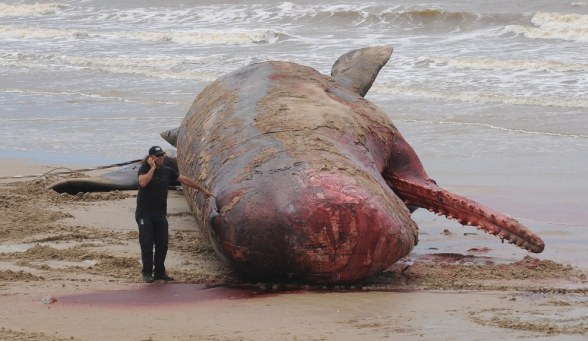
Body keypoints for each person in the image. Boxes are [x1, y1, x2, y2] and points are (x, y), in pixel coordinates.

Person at [135, 146, 211, 283]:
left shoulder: (166, 171)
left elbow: (184, 179)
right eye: (158, 156)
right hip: (144, 214)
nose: (161, 157)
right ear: (151, 158)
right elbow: (143, 182)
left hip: (160, 214)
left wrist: (201, 189)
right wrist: (152, 168)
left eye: (162, 155)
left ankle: (159, 272)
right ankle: (147, 272)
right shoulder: (144, 170)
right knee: (147, 243)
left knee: (162, 244)